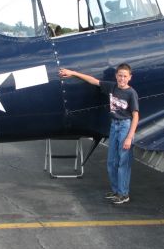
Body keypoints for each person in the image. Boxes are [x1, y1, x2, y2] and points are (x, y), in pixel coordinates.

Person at [58, 64, 139, 204]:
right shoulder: (112, 87)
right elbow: (93, 80)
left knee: (123, 163)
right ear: (116, 76)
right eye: (120, 75)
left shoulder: (131, 93)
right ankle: (116, 191)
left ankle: (124, 193)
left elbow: (136, 116)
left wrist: (129, 137)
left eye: (125, 76)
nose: (122, 78)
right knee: (111, 162)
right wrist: (73, 73)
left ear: (130, 78)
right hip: (114, 126)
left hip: (125, 127)